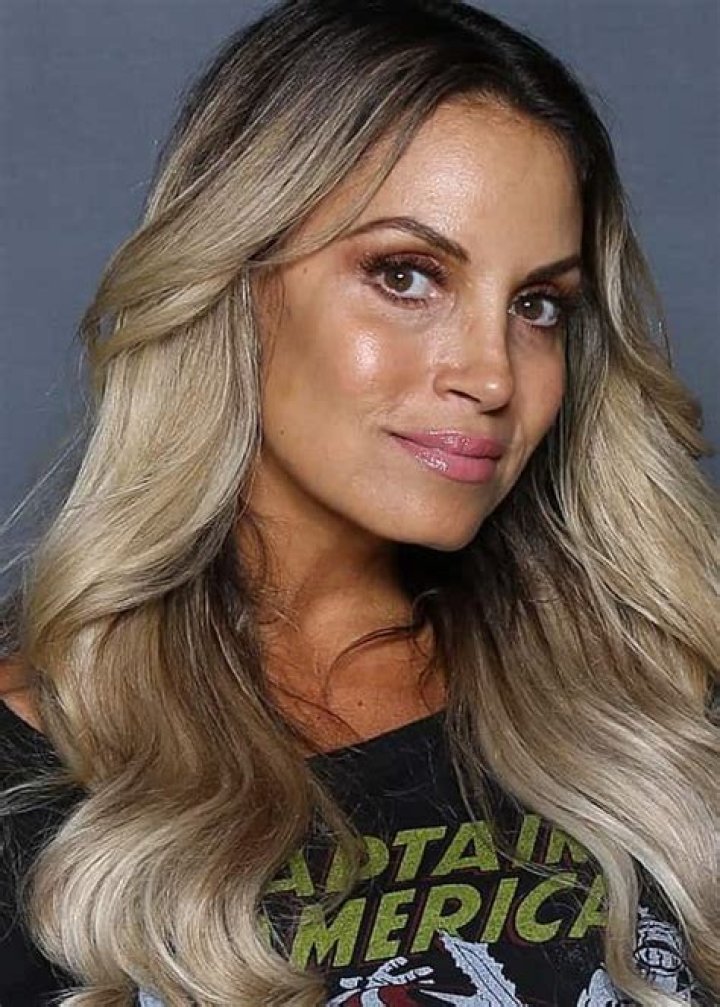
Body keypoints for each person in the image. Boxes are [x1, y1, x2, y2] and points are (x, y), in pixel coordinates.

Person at [0, 0, 717, 1004]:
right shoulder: (34, 764)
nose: (492, 374)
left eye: (537, 304)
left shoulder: (655, 695)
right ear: (236, 279)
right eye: (406, 275)